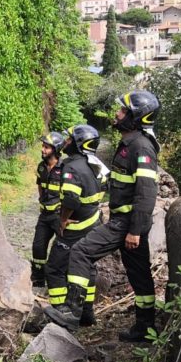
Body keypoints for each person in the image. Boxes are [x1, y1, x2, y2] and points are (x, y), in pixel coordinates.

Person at [45, 91, 161, 342]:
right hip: (124, 221)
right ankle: (146, 329)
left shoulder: (141, 147)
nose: (117, 114)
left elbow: (146, 192)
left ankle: (72, 313)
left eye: (122, 111)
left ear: (136, 116)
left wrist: (135, 230)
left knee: (81, 252)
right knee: (139, 274)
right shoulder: (129, 143)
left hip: (127, 223)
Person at [43, 124, 108, 326]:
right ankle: (87, 314)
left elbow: (70, 200)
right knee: (87, 268)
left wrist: (62, 219)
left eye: (70, 140)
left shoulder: (72, 166)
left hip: (75, 226)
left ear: (79, 144)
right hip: (94, 222)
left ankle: (62, 313)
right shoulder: (96, 164)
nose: (66, 143)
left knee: (54, 268)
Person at [30, 131, 66, 291]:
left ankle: (61, 280)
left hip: (59, 216)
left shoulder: (65, 168)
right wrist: (42, 201)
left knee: (61, 248)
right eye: (43, 146)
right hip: (44, 216)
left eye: (47, 147)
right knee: (38, 246)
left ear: (56, 149)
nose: (43, 150)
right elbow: (40, 186)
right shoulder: (41, 166)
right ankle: (38, 280)